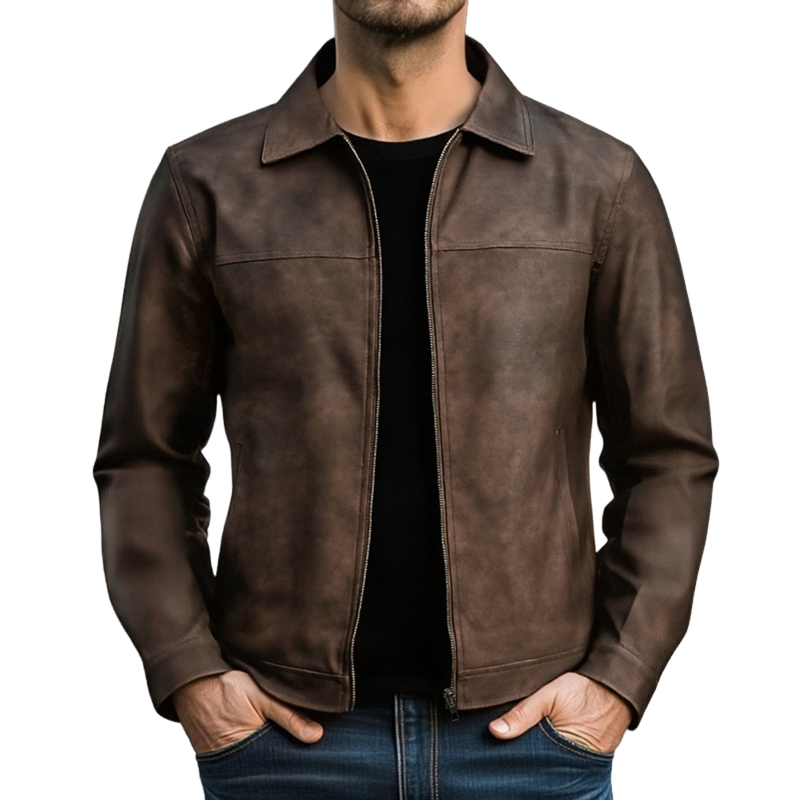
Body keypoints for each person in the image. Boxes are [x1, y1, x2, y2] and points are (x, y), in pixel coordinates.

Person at [92, 1, 720, 797]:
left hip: (531, 747)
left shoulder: (598, 182)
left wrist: (616, 679)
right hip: (285, 748)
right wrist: (192, 675)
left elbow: (667, 456)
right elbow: (145, 458)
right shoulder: (207, 184)